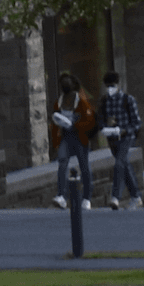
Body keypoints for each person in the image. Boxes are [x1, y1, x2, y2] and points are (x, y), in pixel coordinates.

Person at [98, 68, 144, 208]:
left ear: (118, 85)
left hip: (126, 137)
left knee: (119, 163)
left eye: (112, 86)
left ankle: (115, 197)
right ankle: (136, 197)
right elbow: (99, 120)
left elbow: (137, 123)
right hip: (112, 138)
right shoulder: (104, 101)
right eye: (107, 86)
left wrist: (125, 130)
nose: (110, 89)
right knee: (124, 164)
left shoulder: (127, 100)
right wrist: (105, 125)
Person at [49, 68, 93, 205]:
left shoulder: (81, 101)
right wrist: (55, 143)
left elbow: (89, 121)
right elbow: (55, 123)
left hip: (80, 137)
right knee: (62, 163)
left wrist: (76, 125)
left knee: (84, 166)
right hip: (66, 137)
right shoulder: (59, 102)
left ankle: (86, 198)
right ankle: (61, 196)